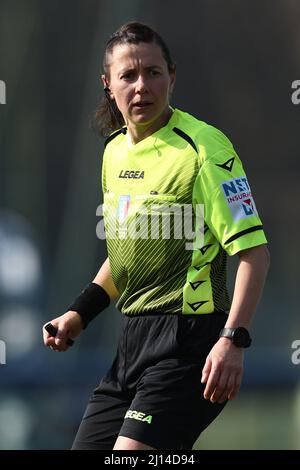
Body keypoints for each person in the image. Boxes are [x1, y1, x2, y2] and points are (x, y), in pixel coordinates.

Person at [43, 21, 270, 450]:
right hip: (130, 347)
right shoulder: (113, 151)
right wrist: (79, 313)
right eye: (128, 76)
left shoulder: (204, 148)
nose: (141, 85)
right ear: (109, 85)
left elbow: (254, 253)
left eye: (153, 72)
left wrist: (233, 339)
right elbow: (127, 256)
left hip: (191, 345)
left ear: (172, 77)